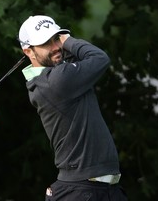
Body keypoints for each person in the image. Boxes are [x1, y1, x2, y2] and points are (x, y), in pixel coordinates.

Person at [18, 15, 127, 201]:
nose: (55, 47)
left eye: (56, 39)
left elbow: (63, 60)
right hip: (81, 191)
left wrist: (59, 47)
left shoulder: (52, 78)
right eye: (46, 43)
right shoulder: (57, 81)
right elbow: (99, 58)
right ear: (28, 52)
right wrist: (68, 40)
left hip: (101, 190)